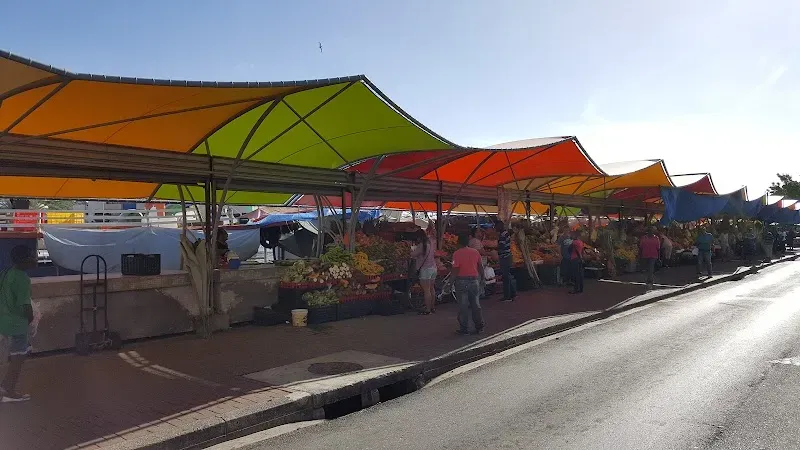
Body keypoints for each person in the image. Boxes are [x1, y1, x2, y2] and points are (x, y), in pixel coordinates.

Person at [0, 245, 37, 403]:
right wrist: (31, 320)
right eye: (32, 256)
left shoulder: (5, 273)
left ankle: (5, 386)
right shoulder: (22, 278)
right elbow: (25, 306)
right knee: (18, 357)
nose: (35, 259)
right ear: (24, 260)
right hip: (17, 324)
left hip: (4, 322)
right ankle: (8, 391)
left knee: (16, 354)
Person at [451, 233, 485, 335]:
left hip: (461, 281)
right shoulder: (475, 252)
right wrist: (483, 278)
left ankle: (464, 328)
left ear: (459, 243)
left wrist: (450, 282)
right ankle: (479, 326)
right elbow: (480, 266)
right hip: (474, 280)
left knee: (463, 306)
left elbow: (455, 269)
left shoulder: (456, 254)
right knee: (475, 304)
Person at [410, 229, 437, 314]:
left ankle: (428, 310)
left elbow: (412, 255)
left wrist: (411, 249)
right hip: (433, 268)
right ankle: (432, 307)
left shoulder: (422, 245)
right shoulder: (430, 243)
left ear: (419, 237)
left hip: (425, 269)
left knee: (426, 290)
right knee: (431, 288)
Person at [496, 221, 516, 302]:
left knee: (505, 276)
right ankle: (513, 293)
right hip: (507, 256)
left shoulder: (503, 234)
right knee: (507, 276)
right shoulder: (505, 233)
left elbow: (501, 246)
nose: (495, 228)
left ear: (500, 226)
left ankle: (507, 296)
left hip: (505, 257)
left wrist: (495, 249)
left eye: (496, 226)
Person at [468, 227, 488, 298]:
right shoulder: (475, 241)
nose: (480, 233)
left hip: (475, 262)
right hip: (478, 262)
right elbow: (479, 251)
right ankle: (479, 293)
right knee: (479, 277)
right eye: (478, 232)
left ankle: (481, 293)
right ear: (475, 233)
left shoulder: (473, 241)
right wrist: (488, 253)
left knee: (479, 277)